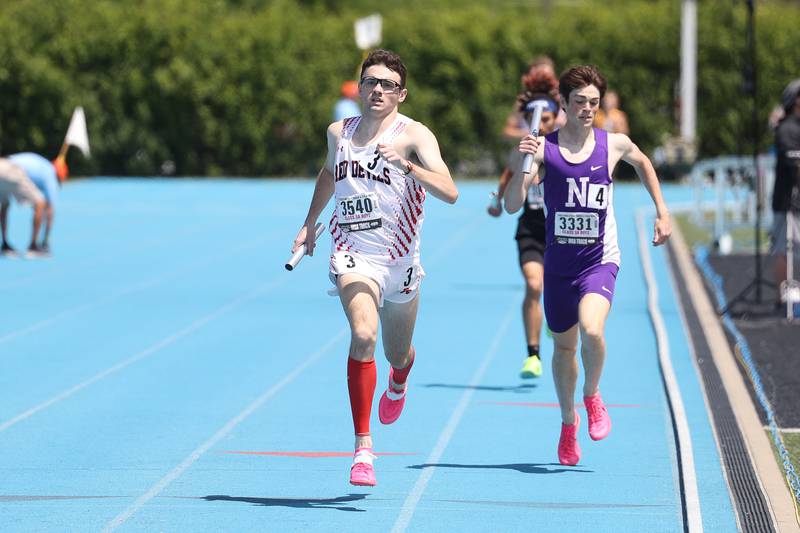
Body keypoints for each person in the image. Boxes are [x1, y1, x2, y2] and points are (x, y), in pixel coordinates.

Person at [292, 49, 458, 486]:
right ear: (360, 86)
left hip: (399, 260)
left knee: (396, 352)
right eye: (370, 82)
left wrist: (406, 165)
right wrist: (310, 224)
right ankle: (363, 447)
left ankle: (399, 378)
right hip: (353, 252)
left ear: (401, 93)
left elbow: (451, 191)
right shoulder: (339, 132)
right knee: (363, 333)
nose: (377, 90)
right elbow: (329, 173)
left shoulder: (415, 135)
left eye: (387, 84)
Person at [504, 65, 671, 466]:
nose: (587, 109)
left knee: (592, 327)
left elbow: (644, 163)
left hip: (599, 260)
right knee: (564, 347)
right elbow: (512, 204)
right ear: (563, 102)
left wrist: (662, 212)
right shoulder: (544, 148)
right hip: (558, 265)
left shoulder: (613, 144)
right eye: (579, 102)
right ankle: (567, 423)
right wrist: (522, 164)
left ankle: (593, 396)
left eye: (594, 102)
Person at [488, 72, 560, 379]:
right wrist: (497, 197)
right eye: (532, 116)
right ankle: (533, 355)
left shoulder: (565, 149)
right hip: (531, 229)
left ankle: (554, 318)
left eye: (545, 117)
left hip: (563, 234)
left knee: (557, 295)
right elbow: (509, 172)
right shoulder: (523, 148)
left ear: (556, 118)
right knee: (534, 285)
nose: (538, 123)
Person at [771, 79, 800, 304]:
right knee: (784, 248)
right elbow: (793, 162)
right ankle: (785, 298)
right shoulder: (787, 129)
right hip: (787, 201)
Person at [6, 152, 66, 256]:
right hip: (13, 171)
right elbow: (50, 210)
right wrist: (46, 240)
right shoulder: (51, 175)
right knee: (40, 203)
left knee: (4, 204)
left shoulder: (44, 166)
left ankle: (4, 244)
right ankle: (33, 246)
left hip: (3, 164)